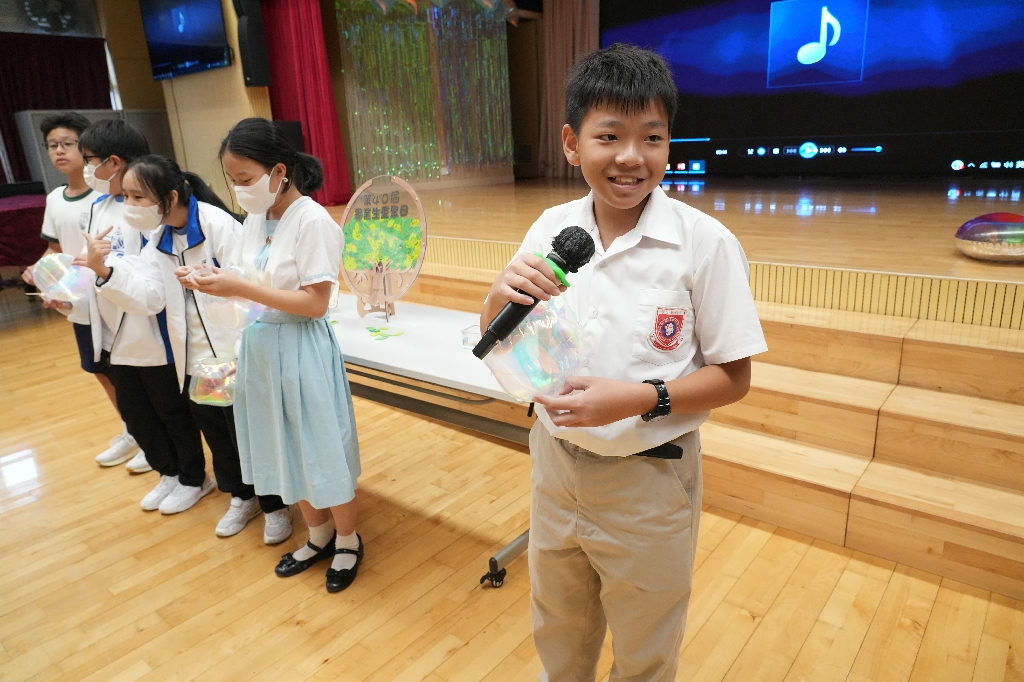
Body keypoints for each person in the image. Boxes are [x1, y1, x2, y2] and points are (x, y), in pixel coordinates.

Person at [480, 44, 768, 681]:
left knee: (645, 650)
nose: (631, 156)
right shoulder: (551, 228)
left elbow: (735, 377)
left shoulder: (705, 245)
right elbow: (507, 337)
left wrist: (639, 398)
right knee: (559, 631)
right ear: (571, 143)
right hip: (554, 466)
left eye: (652, 138)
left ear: (668, 145)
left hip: (649, 480)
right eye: (609, 136)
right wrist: (496, 300)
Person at [192, 118, 362, 593]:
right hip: (261, 347)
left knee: (321, 448)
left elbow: (315, 303)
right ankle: (319, 534)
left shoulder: (313, 221)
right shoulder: (255, 220)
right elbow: (247, 284)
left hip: (301, 346)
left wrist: (239, 287)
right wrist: (212, 281)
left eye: (245, 179)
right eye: (233, 180)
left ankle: (348, 540)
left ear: (279, 171)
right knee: (284, 446)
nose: (239, 189)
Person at [94, 154, 293, 543]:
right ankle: (242, 497)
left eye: (137, 197)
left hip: (237, 353)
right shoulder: (158, 239)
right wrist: (104, 271)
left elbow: (252, 288)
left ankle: (275, 506)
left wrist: (211, 283)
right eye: (127, 196)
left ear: (170, 197)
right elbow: (150, 298)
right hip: (197, 359)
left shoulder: (218, 225)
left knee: (251, 436)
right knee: (219, 436)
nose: (129, 206)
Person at [76, 120, 212, 515]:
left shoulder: (146, 210)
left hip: (152, 331)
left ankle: (193, 477)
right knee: (137, 413)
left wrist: (108, 270)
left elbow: (152, 276)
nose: (87, 169)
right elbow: (95, 261)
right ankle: (167, 472)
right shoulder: (98, 206)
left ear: (114, 162)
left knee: (171, 411)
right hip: (112, 327)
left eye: (90, 160)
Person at [21, 112, 148, 473]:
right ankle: (131, 430)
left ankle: (145, 435)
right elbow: (55, 250)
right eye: (52, 145)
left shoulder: (111, 195)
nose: (59, 151)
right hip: (78, 302)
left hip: (111, 297)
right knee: (99, 370)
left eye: (68, 144)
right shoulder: (55, 198)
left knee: (126, 373)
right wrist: (42, 276)